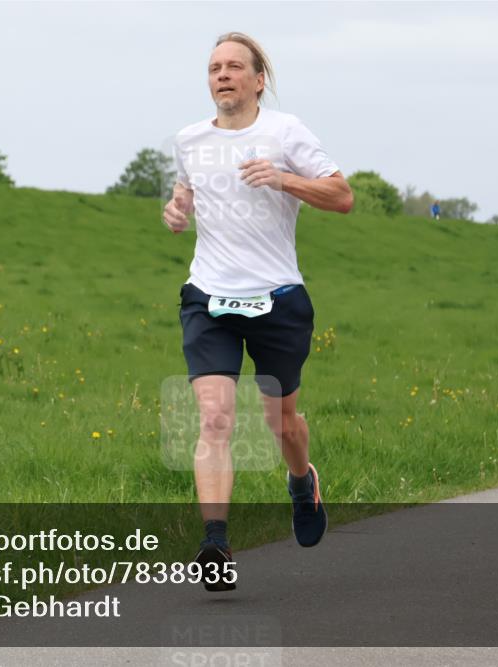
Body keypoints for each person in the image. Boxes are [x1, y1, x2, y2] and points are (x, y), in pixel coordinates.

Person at [163, 32, 352, 592]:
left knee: (281, 423)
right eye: (214, 67)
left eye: (233, 66)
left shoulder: (285, 131)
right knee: (215, 417)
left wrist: (283, 177)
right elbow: (186, 193)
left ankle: (301, 481)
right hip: (209, 296)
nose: (222, 75)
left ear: (258, 79)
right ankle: (215, 542)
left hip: (278, 299)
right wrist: (176, 208)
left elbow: (342, 196)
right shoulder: (190, 140)